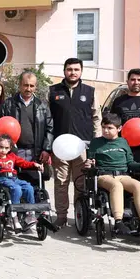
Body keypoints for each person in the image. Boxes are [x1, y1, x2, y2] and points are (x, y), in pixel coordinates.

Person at [85, 114, 140, 236]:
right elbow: (90, 160)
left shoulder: (123, 142)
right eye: (103, 127)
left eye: (109, 128)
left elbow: (130, 163)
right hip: (104, 175)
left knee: (139, 186)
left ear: (119, 129)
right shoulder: (96, 142)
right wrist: (90, 164)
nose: (105, 130)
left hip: (123, 175)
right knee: (116, 185)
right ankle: (118, 221)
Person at [48, 58, 101, 228]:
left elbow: (96, 118)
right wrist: (48, 145)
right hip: (60, 146)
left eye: (76, 69)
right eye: (69, 69)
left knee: (81, 182)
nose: (73, 72)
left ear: (81, 71)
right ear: (64, 71)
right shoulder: (53, 91)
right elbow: (48, 119)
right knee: (61, 182)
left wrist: (96, 144)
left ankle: (81, 215)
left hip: (82, 146)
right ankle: (61, 216)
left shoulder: (90, 92)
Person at [0, 71, 54, 219]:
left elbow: (50, 128)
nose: (28, 89)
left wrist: (46, 149)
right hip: (13, 152)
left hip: (35, 152)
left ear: (35, 87)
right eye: (25, 85)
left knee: (34, 185)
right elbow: (0, 126)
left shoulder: (42, 106)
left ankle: (33, 217)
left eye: (31, 86)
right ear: (19, 85)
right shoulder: (8, 104)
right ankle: (15, 216)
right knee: (14, 185)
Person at [0, 134, 43, 231]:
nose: (3, 150)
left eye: (6, 148)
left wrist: (34, 164)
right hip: (2, 178)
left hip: (14, 178)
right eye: (1, 147)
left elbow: (23, 163)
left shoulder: (12, 156)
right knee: (16, 188)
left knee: (29, 187)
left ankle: (30, 214)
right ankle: (13, 215)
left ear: (10, 148)